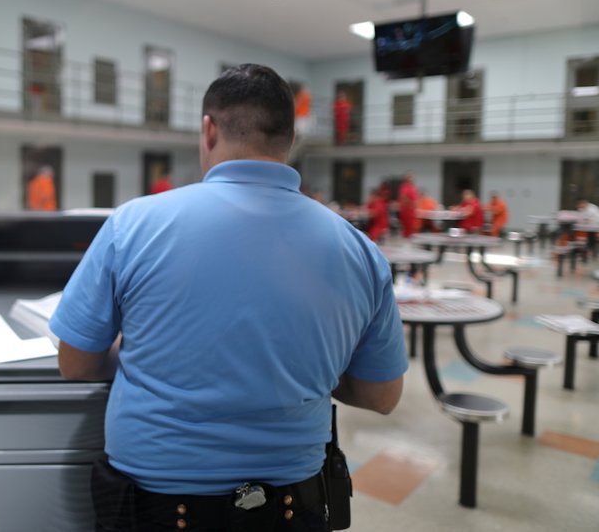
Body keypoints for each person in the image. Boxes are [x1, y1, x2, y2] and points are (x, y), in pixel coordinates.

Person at [50, 64, 407, 532]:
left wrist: (138, 353)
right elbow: (383, 395)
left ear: (208, 130)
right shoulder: (359, 251)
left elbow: (74, 363)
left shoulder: (132, 225)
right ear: (291, 139)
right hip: (289, 507)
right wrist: (303, 371)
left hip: (155, 504)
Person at [398, 173, 419, 239]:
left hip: (412, 211)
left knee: (412, 227)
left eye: (412, 177)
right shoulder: (404, 187)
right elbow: (403, 198)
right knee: (407, 227)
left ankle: (410, 240)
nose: (411, 179)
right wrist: (411, 203)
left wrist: (415, 204)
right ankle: (406, 241)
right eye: (409, 177)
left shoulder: (413, 187)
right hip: (406, 210)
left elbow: (415, 198)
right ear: (406, 178)